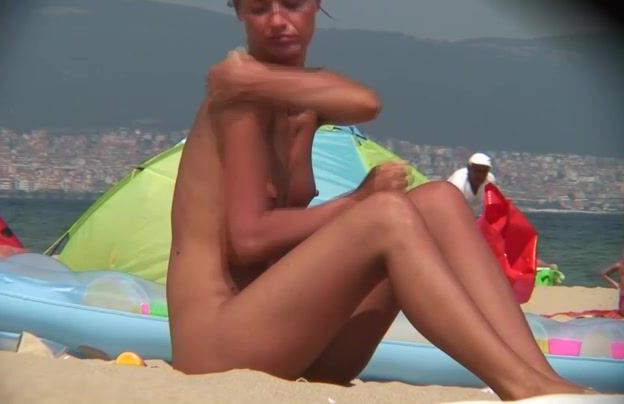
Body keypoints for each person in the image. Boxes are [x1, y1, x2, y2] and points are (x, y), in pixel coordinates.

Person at [167, 1, 589, 400]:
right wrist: (355, 202)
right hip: (219, 346)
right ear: (239, 12)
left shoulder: (294, 103)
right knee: (385, 214)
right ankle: (519, 385)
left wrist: (253, 78)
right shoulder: (237, 106)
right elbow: (248, 239)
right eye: (259, 8)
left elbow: (366, 103)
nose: (277, 20)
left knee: (440, 200)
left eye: (293, 4)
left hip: (292, 342)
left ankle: (545, 379)